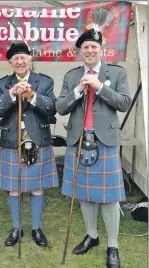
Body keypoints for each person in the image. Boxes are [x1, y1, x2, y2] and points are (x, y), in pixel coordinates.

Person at [56, 29, 132, 268]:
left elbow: (124, 102)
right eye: (85, 47)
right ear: (80, 51)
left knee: (109, 200)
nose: (90, 51)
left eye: (94, 47)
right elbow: (60, 107)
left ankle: (112, 245)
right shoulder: (71, 76)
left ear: (102, 50)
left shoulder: (116, 72)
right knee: (85, 195)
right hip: (79, 140)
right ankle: (92, 236)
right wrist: (78, 91)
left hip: (105, 141)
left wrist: (99, 86)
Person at [0, 43, 59, 247]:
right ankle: (17, 227)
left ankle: (36, 228)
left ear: (30, 60)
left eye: (23, 58)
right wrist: (11, 94)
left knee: (37, 188)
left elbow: (53, 107)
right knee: (14, 189)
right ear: (10, 63)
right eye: (15, 59)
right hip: (13, 142)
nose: (20, 62)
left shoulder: (44, 81)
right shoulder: (3, 84)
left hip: (37, 139)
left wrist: (32, 95)